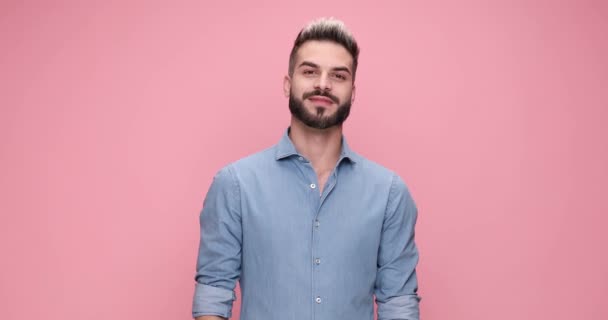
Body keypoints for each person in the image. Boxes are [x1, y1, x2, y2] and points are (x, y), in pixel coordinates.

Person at [192, 17, 421, 320]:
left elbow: (398, 304)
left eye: (338, 75)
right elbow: (213, 297)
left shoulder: (390, 194)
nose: (323, 84)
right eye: (310, 71)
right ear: (288, 84)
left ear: (353, 91)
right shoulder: (235, 185)